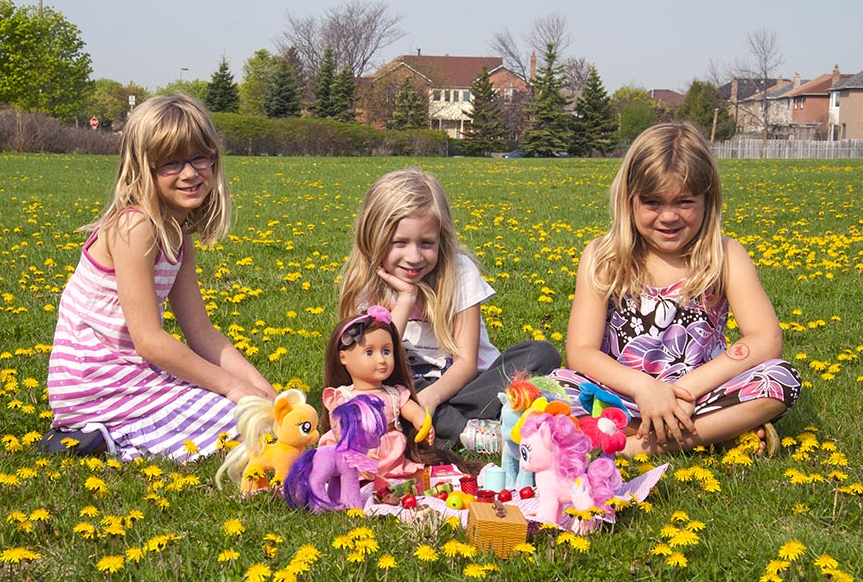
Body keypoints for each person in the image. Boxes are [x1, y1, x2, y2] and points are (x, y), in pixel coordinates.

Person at [45, 94, 276, 461]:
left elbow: (201, 332)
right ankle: (99, 433)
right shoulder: (136, 227)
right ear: (142, 168)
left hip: (133, 377)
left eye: (199, 157)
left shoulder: (178, 234)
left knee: (266, 416)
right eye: (171, 162)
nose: (190, 173)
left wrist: (265, 392)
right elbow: (149, 340)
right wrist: (233, 388)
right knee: (254, 429)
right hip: (97, 386)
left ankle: (110, 434)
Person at [549, 121, 801, 457]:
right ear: (629, 200)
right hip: (623, 396)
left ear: (707, 200)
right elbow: (581, 351)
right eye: (652, 203)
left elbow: (765, 339)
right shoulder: (604, 256)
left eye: (684, 202)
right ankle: (717, 431)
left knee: (780, 378)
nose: (668, 216)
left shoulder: (726, 256)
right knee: (552, 390)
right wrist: (645, 388)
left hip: (698, 396)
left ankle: (637, 445)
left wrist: (681, 392)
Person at [338, 167, 562, 449]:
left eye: (426, 243)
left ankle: (436, 423)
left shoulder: (458, 272)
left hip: (468, 383)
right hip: (404, 387)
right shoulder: (366, 285)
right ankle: (470, 430)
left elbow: (466, 364)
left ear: (440, 239)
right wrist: (406, 299)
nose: (414, 257)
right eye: (400, 243)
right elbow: (370, 362)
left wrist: (431, 399)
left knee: (541, 354)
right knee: (384, 392)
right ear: (373, 238)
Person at [320, 305, 477, 479]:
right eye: (369, 352)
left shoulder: (394, 394)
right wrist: (357, 450)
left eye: (386, 351)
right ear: (343, 357)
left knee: (410, 476)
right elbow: (340, 428)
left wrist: (422, 422)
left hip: (391, 457)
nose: (381, 360)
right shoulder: (343, 397)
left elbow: (413, 411)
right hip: (353, 453)